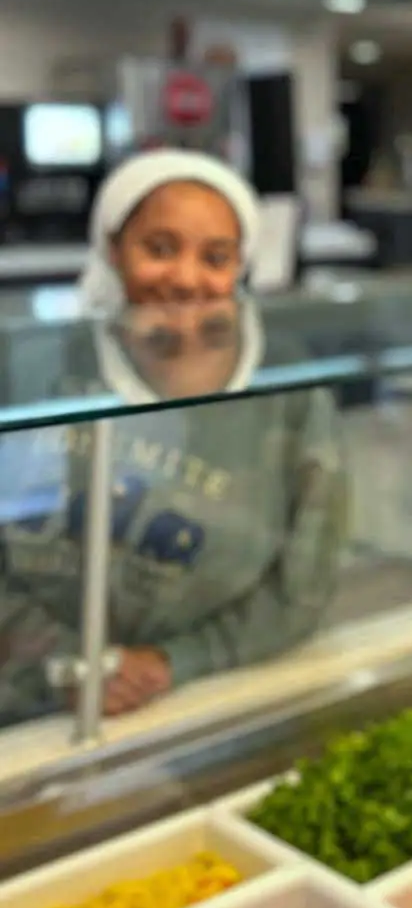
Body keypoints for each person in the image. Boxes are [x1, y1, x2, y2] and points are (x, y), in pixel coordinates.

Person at [0, 151, 346, 722]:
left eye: (215, 257)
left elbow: (304, 581)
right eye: (159, 249)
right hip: (23, 704)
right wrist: (67, 660)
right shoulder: (33, 367)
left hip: (193, 699)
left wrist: (171, 662)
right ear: (113, 249)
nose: (186, 280)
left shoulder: (289, 391)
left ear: (242, 267)